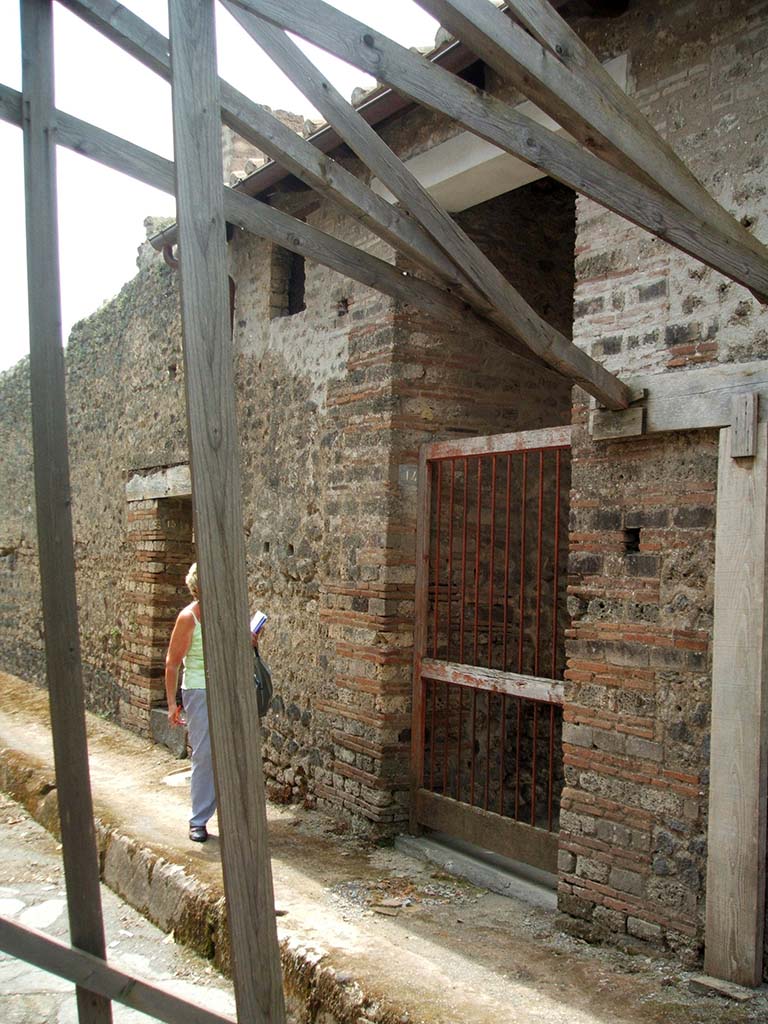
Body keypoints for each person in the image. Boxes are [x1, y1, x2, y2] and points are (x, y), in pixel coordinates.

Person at [165, 563, 215, 842]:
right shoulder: (188, 618)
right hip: (198, 691)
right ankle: (198, 820)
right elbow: (172, 663)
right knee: (205, 754)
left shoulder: (224, 610)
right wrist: (173, 704)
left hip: (226, 690)